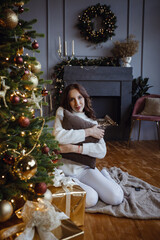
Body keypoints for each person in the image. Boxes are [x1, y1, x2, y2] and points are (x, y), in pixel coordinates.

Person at [53, 83, 124, 208]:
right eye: (72, 99)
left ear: (85, 98)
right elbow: (58, 136)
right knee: (91, 199)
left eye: (80, 97)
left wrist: (73, 148)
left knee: (116, 197)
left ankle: (105, 176)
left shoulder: (92, 121)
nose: (77, 103)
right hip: (65, 171)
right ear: (67, 101)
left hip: (85, 169)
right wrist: (88, 132)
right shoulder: (62, 113)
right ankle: (77, 184)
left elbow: (102, 151)